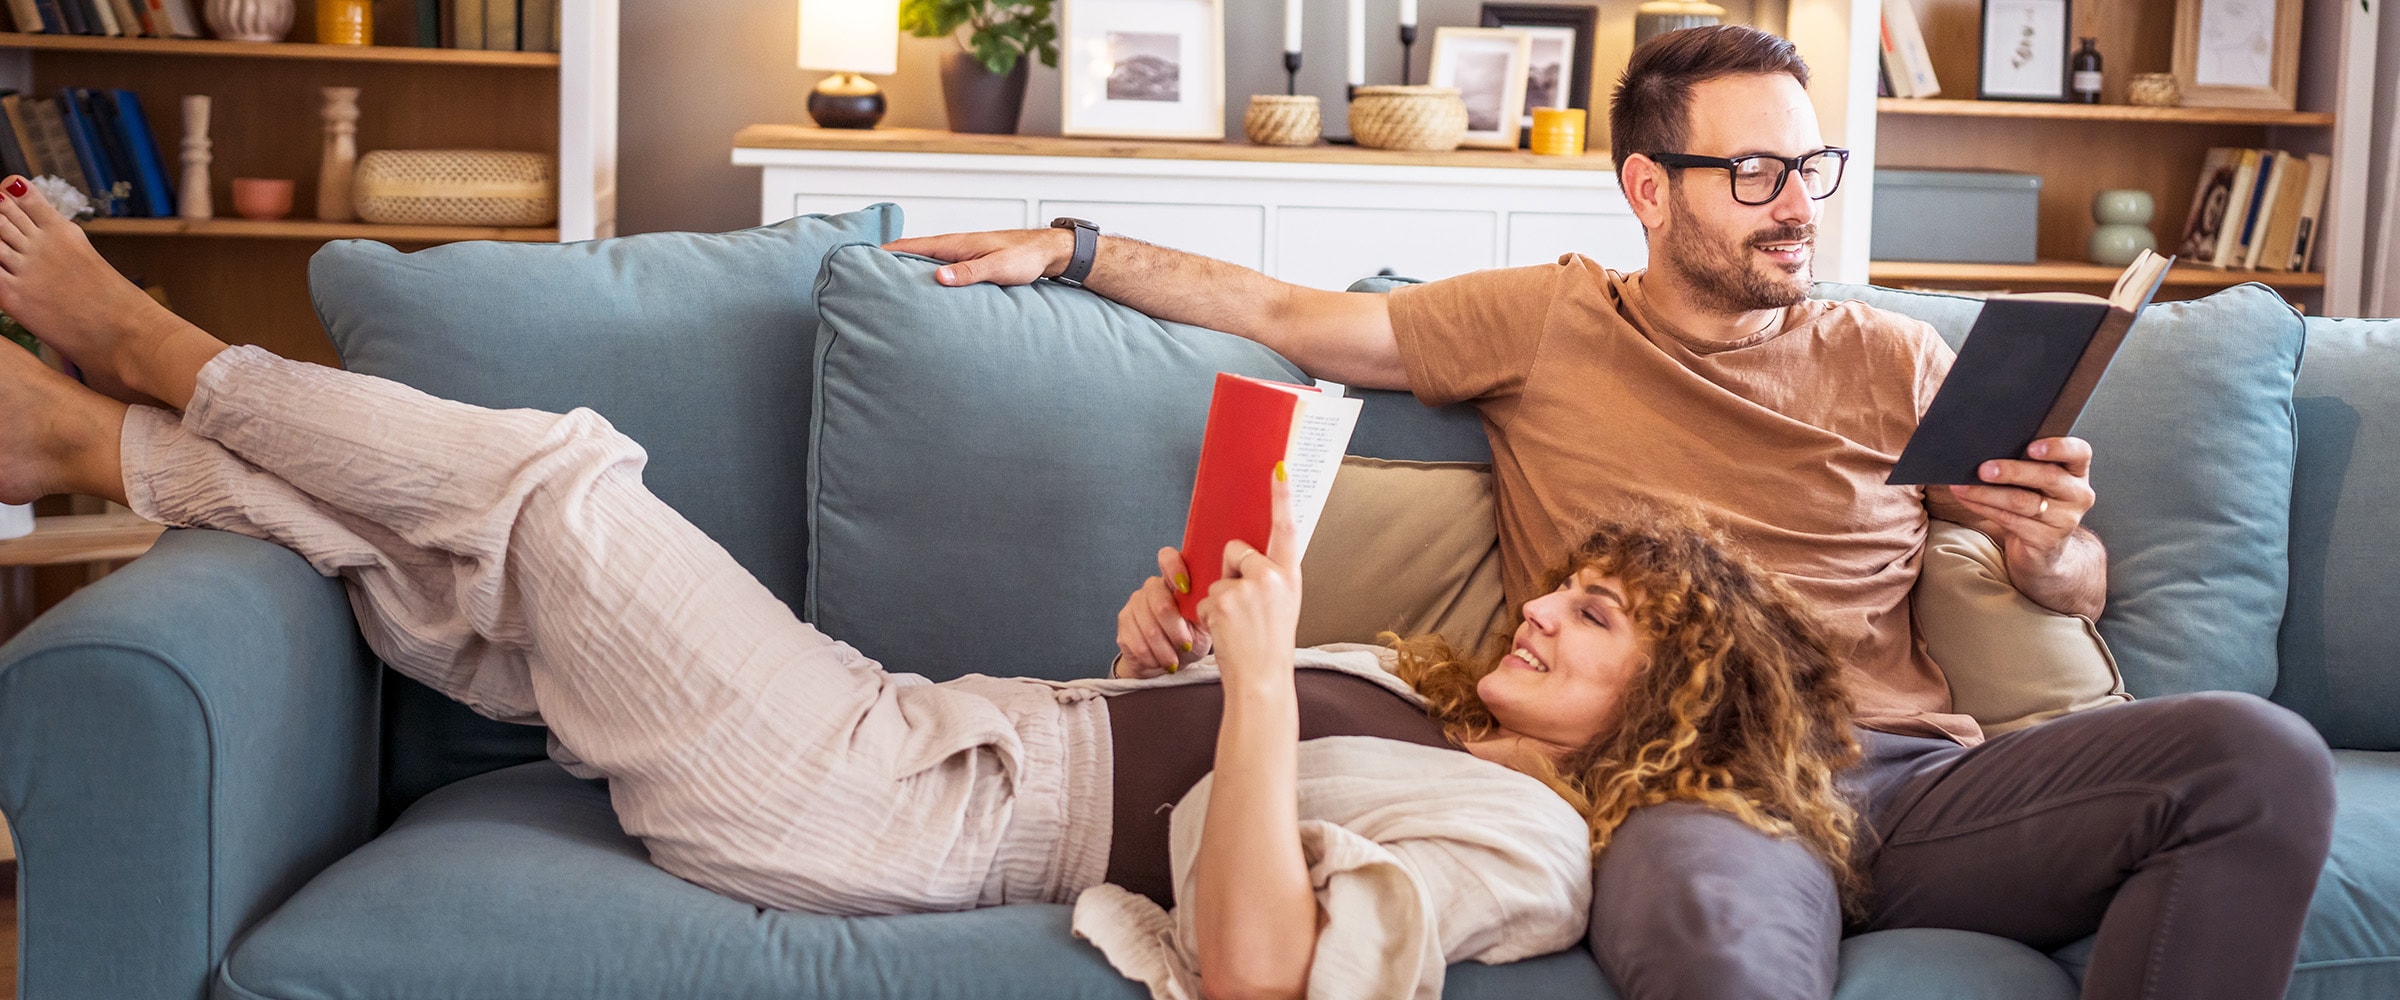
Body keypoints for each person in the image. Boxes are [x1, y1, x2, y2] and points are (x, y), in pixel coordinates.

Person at [0, 172, 1861, 998]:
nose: (1545, 607)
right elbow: (1196, 765)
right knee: (465, 568)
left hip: (883, 815)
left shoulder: (1536, 853)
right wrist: (1171, 653)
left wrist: (1273, 683)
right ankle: (97, 457)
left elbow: (1260, 971)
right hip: (923, 729)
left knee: (559, 482)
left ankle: (152, 347)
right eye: (1576, 592)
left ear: (1671, 708)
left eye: (1597, 621)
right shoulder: (1441, 696)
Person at [887, 24, 2338, 1000]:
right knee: (1709, 932)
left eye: (1810, 169)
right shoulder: (1548, 326)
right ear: (1651, 188)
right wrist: (1080, 244)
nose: (1798, 207)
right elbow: (1285, 312)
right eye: (1756, 174)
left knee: (2257, 757)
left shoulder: (1893, 357)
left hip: (1909, 775)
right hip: (1692, 788)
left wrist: (2050, 550)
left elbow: (2069, 575)